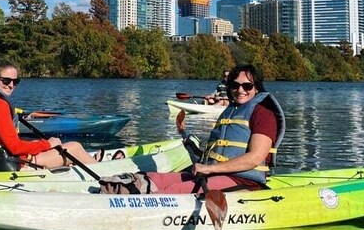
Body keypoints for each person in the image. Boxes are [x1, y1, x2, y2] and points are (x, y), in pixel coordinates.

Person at [101, 64, 285, 195]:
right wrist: (185, 136)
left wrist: (210, 170)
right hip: (214, 174)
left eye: (247, 86)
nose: (240, 90)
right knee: (142, 179)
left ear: (256, 88)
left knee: (168, 193)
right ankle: (108, 194)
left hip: (244, 181)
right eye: (235, 85)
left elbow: (254, 158)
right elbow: (207, 157)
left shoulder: (263, 114)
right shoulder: (230, 111)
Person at [0, 57, 99, 171]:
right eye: (6, 81)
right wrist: (48, 144)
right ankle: (106, 175)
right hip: (9, 165)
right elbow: (15, 148)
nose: (11, 85)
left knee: (37, 143)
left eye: (15, 81)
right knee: (75, 147)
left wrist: (40, 143)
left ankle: (90, 162)